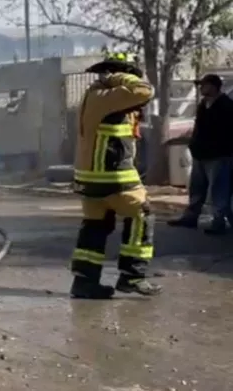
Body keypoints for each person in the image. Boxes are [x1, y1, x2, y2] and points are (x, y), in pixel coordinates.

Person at [69, 52, 160, 299]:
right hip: (111, 175)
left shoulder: (95, 95)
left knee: (96, 226)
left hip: (90, 177)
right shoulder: (108, 94)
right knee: (142, 213)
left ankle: (85, 282)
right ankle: (133, 275)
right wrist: (121, 77)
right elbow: (145, 91)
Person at [168, 73, 233, 235]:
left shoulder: (226, 106)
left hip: (219, 155)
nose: (201, 88)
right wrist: (193, 144)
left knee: (219, 190)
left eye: (204, 85)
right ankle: (191, 217)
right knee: (197, 189)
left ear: (214, 86)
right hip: (200, 154)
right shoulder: (203, 104)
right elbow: (198, 128)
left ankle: (219, 221)